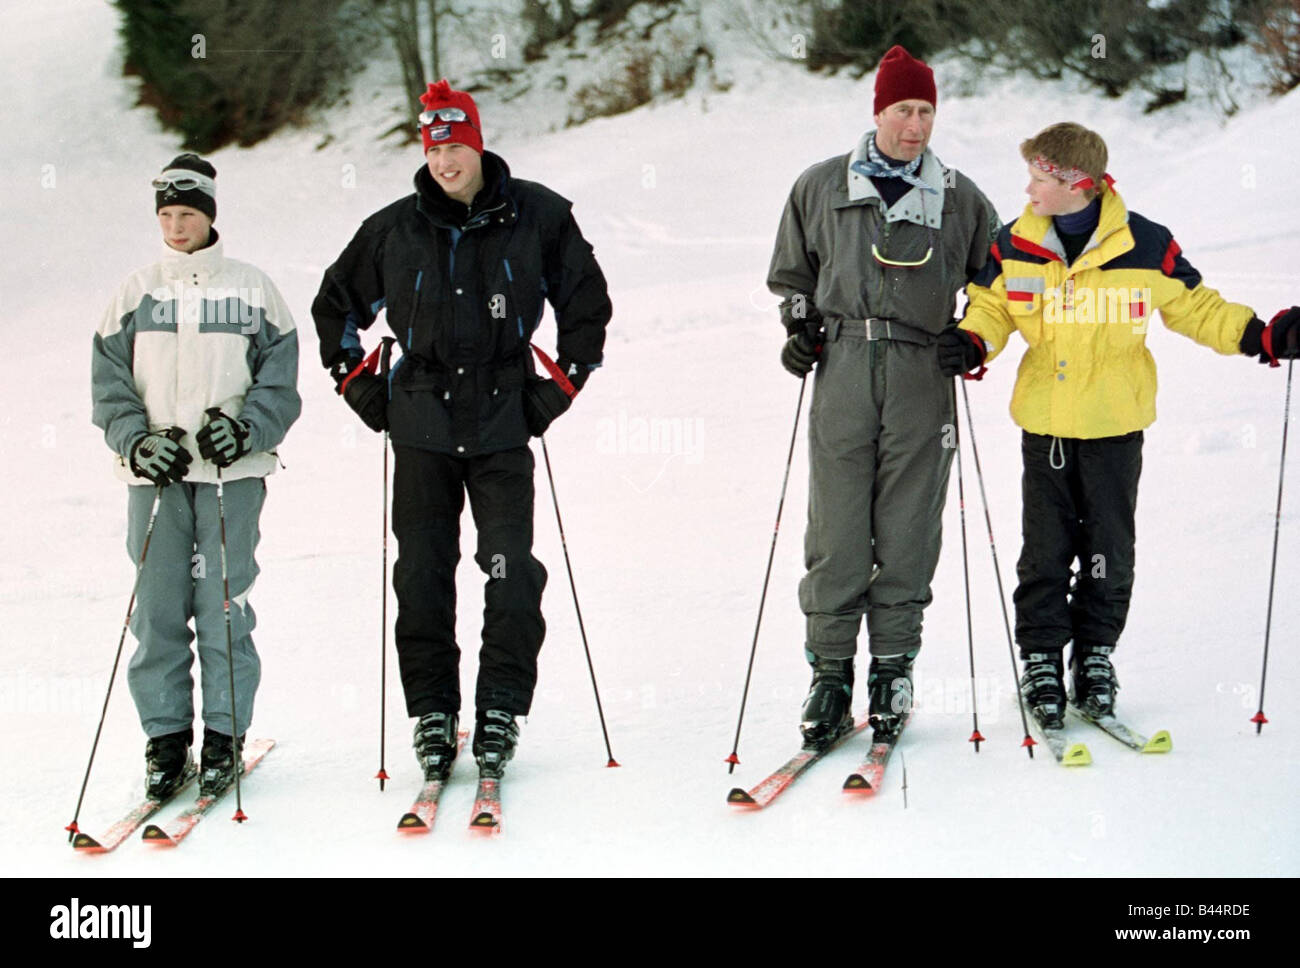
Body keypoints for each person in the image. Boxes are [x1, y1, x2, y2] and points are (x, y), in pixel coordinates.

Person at [940, 121, 1300, 728]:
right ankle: (1043, 660)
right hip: (1047, 426)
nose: (1027, 190)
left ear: (1076, 183)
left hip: (1115, 426)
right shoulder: (1014, 244)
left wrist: (1262, 335)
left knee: (1109, 550)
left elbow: (1196, 307)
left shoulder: (1143, 244)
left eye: (1037, 178)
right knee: (1046, 551)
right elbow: (992, 306)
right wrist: (973, 342)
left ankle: (1097, 654)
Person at [312, 80, 612, 781]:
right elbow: (336, 308)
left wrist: (558, 387)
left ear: (477, 142)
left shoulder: (538, 214)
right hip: (418, 422)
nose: (446, 161)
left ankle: (501, 708)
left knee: (510, 572)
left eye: (457, 146)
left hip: (505, 416)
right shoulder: (393, 228)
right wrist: (362, 389)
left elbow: (586, 304)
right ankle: (433, 715)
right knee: (421, 576)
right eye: (435, 148)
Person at [767, 46, 1000, 746]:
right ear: (878, 111)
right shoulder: (821, 186)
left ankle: (893, 668)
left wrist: (977, 336)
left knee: (908, 527)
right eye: (905, 109)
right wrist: (799, 327)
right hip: (842, 366)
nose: (916, 125)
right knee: (836, 526)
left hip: (923, 373)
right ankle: (831, 673)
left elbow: (1000, 284)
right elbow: (791, 274)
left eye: (927, 111)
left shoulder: (960, 198)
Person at [91, 153, 301, 798]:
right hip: (156, 481)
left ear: (209, 216)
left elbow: (281, 381)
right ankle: (165, 739)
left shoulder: (251, 288)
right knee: (156, 611)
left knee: (223, 606)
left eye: (186, 214)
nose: (175, 227)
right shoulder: (136, 290)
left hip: (229, 478)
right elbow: (109, 386)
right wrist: (137, 441)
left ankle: (223, 738)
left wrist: (246, 430)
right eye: (165, 215)